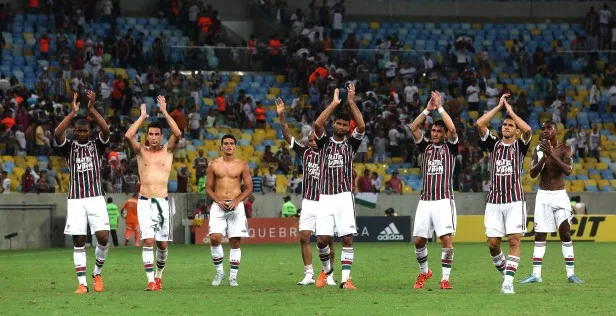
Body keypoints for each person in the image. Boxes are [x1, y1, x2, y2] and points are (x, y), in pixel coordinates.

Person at [475, 94, 532, 295]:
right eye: (504, 125)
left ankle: (508, 281)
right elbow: (480, 123)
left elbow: (528, 130)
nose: (506, 127)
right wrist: (499, 107)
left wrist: (511, 112)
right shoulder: (494, 145)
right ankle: (506, 274)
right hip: (494, 202)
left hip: (515, 200)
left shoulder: (520, 146)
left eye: (510, 125)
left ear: (515, 130)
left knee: (514, 240)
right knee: (492, 244)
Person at [54, 91, 110, 294]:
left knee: (103, 237)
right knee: (78, 241)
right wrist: (73, 112)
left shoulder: (98, 146)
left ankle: (96, 273)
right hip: (76, 199)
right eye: (78, 131)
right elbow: (57, 134)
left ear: (89, 131)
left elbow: (106, 130)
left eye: (85, 131)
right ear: (74, 131)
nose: (82, 134)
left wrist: (92, 109)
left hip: (95, 197)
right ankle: (82, 284)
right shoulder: (69, 148)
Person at [276, 97, 337, 286]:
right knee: (303, 236)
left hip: (326, 201)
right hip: (309, 201)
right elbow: (287, 136)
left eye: (314, 139)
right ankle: (309, 274)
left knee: (326, 239)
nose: (311, 142)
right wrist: (282, 116)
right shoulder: (305, 152)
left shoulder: (330, 152)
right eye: (309, 139)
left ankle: (330, 274)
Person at [124, 96, 182, 291]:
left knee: (162, 245)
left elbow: (178, 133)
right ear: (147, 136)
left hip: (163, 202)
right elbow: (127, 136)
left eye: (157, 134)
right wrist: (142, 116)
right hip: (144, 202)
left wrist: (165, 112)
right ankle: (150, 281)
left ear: (161, 136)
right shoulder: (141, 151)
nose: (154, 137)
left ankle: (158, 276)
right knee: (147, 241)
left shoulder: (168, 151)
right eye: (151, 134)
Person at [313, 83, 365, 290]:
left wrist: (351, 102)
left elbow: (361, 127)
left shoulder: (351, 144)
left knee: (346, 238)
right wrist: (334, 103)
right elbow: (317, 124)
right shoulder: (324, 143)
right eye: (339, 124)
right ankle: (326, 271)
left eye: (345, 125)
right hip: (325, 196)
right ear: (334, 125)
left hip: (344, 196)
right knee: (322, 240)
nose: (342, 127)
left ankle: (345, 280)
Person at [520, 121, 583, 284]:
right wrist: (544, 157)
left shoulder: (565, 149)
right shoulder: (538, 150)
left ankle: (571, 274)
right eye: (543, 129)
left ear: (556, 130)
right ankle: (536, 274)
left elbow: (568, 170)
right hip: (543, 195)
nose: (546, 131)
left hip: (559, 195)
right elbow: (533, 174)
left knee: (565, 233)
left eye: (549, 128)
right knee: (540, 234)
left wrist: (552, 154)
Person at [407, 91, 458, 290]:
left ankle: (445, 279)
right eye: (434, 130)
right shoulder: (425, 148)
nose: (435, 133)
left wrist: (440, 107)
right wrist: (428, 110)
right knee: (419, 241)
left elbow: (452, 128)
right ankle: (424, 272)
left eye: (439, 131)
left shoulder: (451, 148)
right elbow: (413, 127)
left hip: (444, 200)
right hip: (425, 200)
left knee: (446, 239)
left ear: (444, 135)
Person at [206, 134, 253, 287]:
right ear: (221, 146)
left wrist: (237, 200)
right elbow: (207, 187)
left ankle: (233, 277)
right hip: (218, 205)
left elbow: (249, 187)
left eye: (231, 143)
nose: (228, 146)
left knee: (235, 241)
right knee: (215, 238)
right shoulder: (213, 164)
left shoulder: (242, 165)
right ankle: (219, 272)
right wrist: (218, 200)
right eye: (225, 143)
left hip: (235, 205)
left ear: (235, 146)